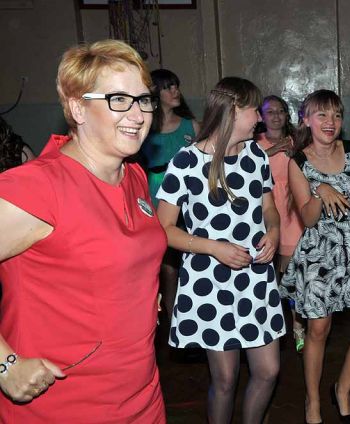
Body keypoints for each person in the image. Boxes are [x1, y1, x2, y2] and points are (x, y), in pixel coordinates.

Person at [0, 39, 165, 422]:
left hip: (141, 396)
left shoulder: (133, 175)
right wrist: (5, 365)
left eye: (143, 100)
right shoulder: (38, 187)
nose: (138, 114)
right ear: (78, 108)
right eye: (118, 99)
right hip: (63, 404)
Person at [156, 77, 284, 424]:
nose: (259, 118)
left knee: (268, 371)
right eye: (255, 109)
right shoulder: (186, 162)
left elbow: (269, 208)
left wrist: (273, 231)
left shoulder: (256, 155)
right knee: (225, 380)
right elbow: (163, 229)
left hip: (255, 276)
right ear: (233, 110)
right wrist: (214, 249)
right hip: (210, 281)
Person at [280, 89, 350, 424]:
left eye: (337, 115)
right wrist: (319, 191)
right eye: (322, 115)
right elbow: (308, 219)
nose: (331, 122)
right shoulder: (297, 162)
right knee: (318, 330)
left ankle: (342, 389)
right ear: (306, 120)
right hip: (320, 253)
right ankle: (312, 402)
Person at [140, 68, 200, 318]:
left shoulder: (191, 126)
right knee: (164, 264)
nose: (175, 91)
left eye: (176, 85)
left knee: (187, 259)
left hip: (188, 203)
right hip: (153, 200)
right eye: (168, 87)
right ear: (155, 93)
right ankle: (168, 319)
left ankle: (187, 315)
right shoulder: (142, 128)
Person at [256, 95, 306, 352]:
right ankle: (268, 322)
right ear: (261, 117)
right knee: (266, 270)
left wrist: (295, 152)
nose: (276, 116)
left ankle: (297, 324)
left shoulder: (296, 140)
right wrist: (272, 151)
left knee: (290, 270)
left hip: (290, 208)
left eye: (280, 111)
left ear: (287, 115)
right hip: (264, 207)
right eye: (270, 111)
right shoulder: (254, 143)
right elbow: (245, 167)